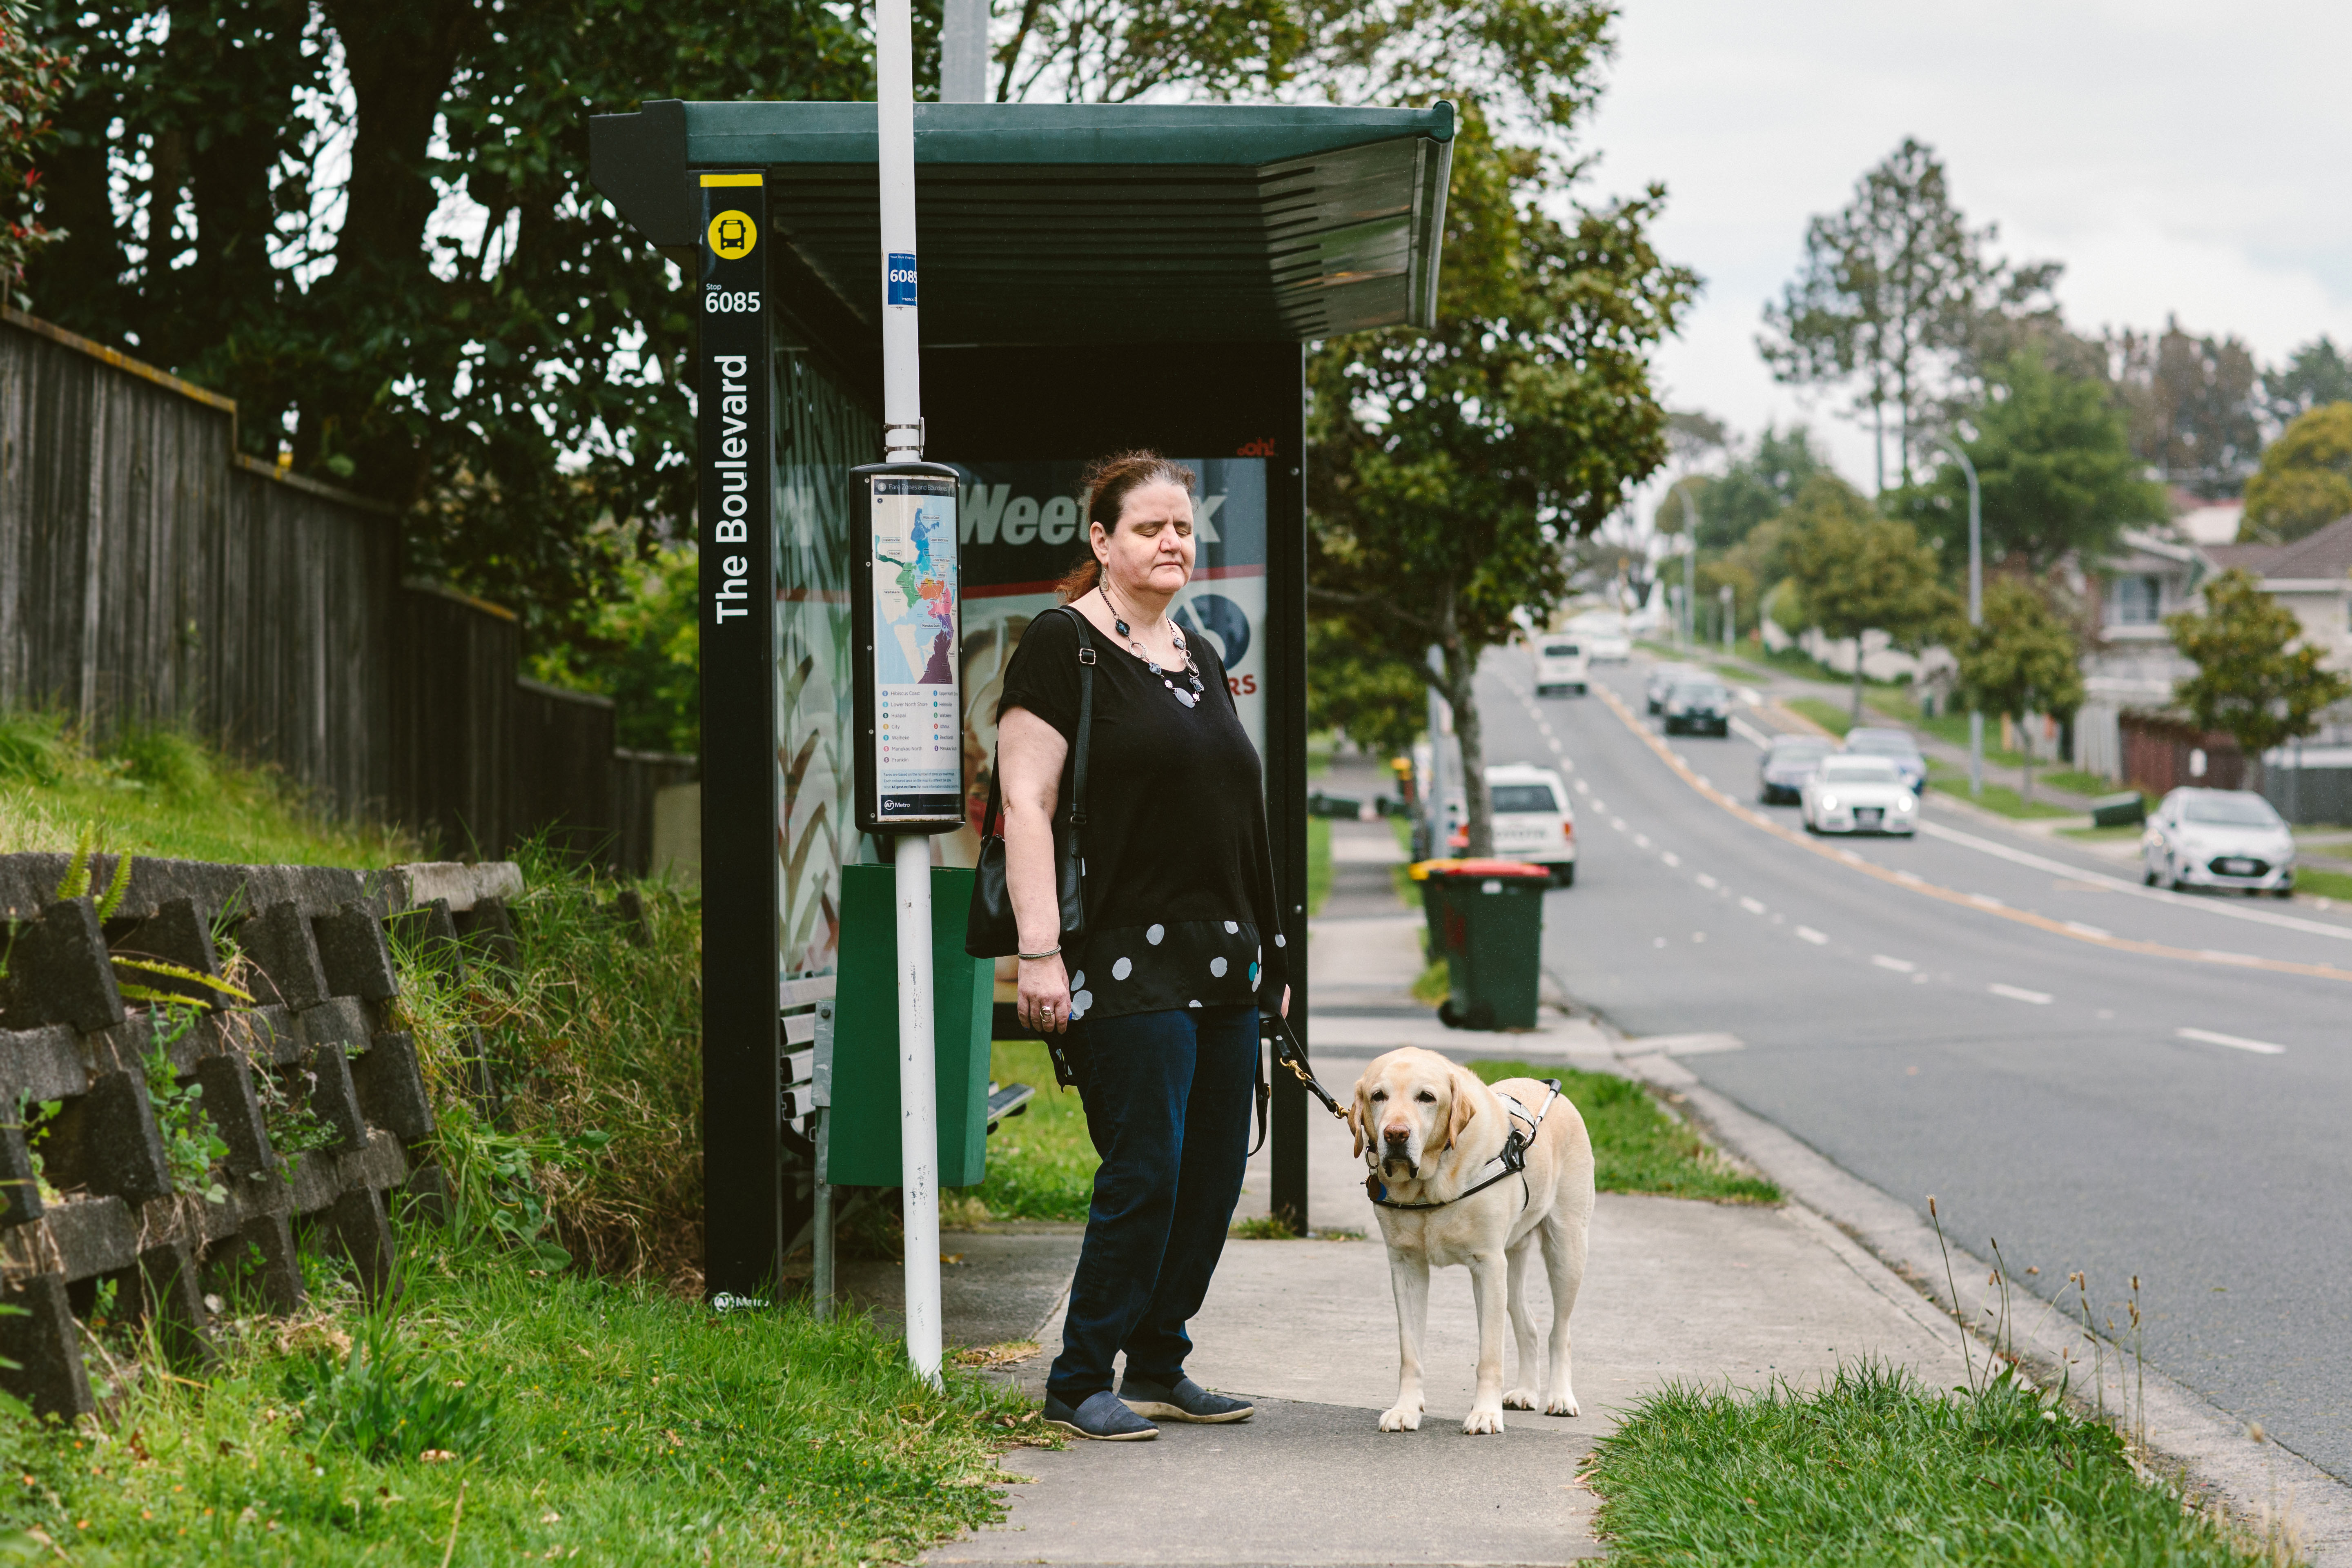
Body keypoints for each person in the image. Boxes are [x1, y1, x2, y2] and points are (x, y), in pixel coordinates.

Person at [995, 450, 1290, 1441]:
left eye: (1182, 529)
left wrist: (1271, 961)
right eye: (1149, 528)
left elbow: (1236, 820)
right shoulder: (1061, 646)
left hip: (1222, 957)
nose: (1172, 542)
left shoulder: (1198, 656)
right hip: (1120, 954)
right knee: (1146, 1168)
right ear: (1102, 542)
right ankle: (1080, 1377)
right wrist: (1042, 951)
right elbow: (1025, 803)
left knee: (1212, 1172)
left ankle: (1161, 1361)